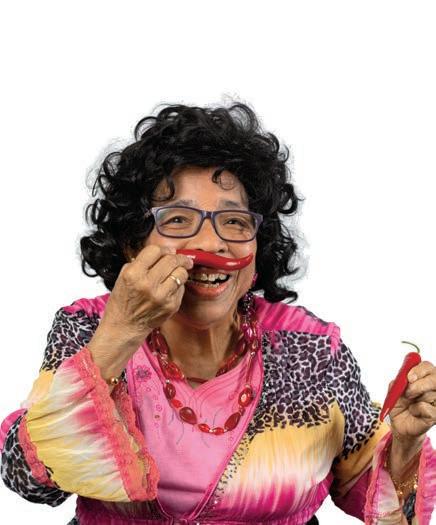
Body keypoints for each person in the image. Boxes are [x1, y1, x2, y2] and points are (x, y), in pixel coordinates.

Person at [1, 103, 435, 525]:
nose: (211, 244)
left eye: (233, 221)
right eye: (178, 220)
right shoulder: (89, 330)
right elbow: (31, 482)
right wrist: (120, 334)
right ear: (133, 244)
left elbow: (378, 501)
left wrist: (405, 444)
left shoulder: (314, 349)